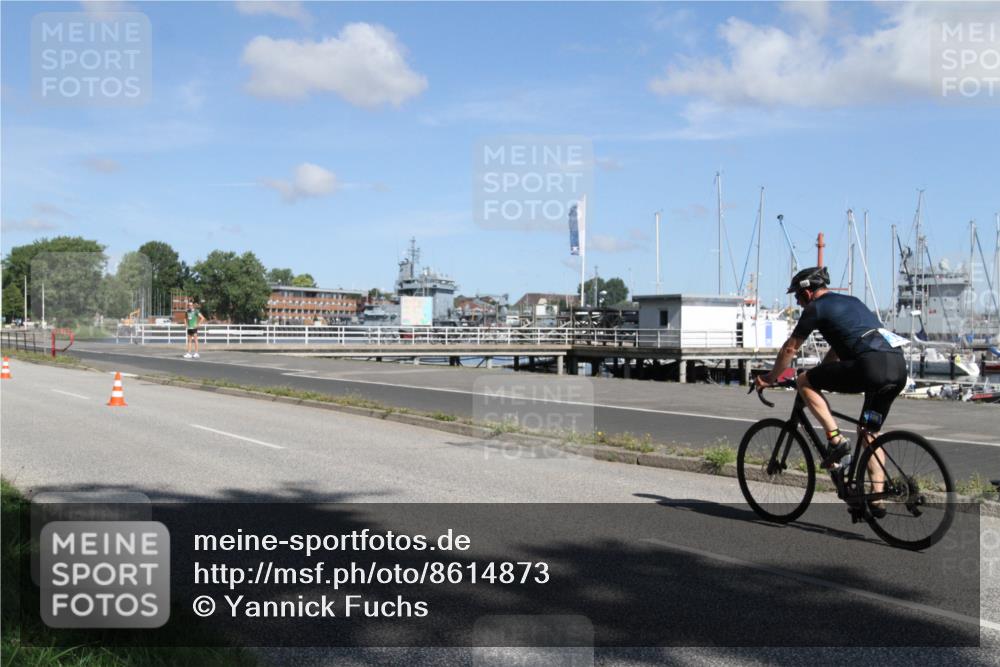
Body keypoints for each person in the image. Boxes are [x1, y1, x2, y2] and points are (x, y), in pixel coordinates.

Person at [755, 266, 908, 516]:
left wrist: (771, 378)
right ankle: (876, 497)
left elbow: (790, 349)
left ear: (806, 292)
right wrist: (822, 374)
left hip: (870, 368)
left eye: (797, 296)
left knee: (804, 380)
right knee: (869, 432)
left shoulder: (816, 308)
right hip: (897, 368)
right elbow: (839, 346)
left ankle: (835, 440)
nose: (797, 301)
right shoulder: (852, 301)